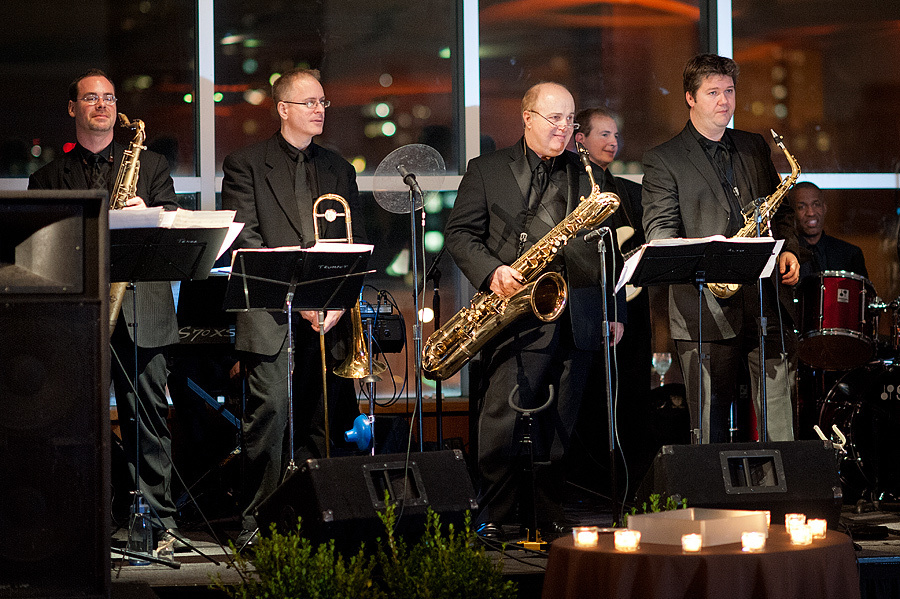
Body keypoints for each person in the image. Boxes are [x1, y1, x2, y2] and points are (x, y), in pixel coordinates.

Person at [445, 82, 624, 540]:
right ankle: (499, 513)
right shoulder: (485, 170)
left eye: (570, 121)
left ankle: (547, 509)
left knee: (561, 422)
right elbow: (461, 235)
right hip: (518, 312)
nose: (565, 129)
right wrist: (494, 272)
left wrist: (613, 309)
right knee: (504, 419)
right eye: (555, 119)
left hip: (579, 313)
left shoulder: (590, 175)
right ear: (527, 118)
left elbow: (613, 253)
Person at [29, 69, 182, 545]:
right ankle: (78, 521)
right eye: (91, 98)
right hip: (79, 317)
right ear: (72, 108)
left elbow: (175, 226)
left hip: (143, 311)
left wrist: (148, 215)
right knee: (73, 421)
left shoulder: (152, 166)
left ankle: (159, 523)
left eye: (110, 97)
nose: (103, 105)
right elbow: (40, 254)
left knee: (150, 419)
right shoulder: (48, 177)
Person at [221, 68, 365, 548]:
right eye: (309, 103)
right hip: (272, 314)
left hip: (330, 315)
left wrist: (338, 300)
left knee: (324, 422)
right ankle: (257, 522)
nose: (320, 109)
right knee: (270, 420)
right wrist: (299, 299)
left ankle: (321, 520)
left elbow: (356, 241)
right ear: (283, 109)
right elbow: (248, 240)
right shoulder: (245, 163)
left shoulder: (340, 168)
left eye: (323, 101)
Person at [641, 54, 801, 444]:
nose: (724, 101)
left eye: (729, 91)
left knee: (780, 421)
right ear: (690, 98)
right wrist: (715, 249)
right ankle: (711, 502)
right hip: (703, 312)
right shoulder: (664, 159)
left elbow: (780, 212)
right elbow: (660, 232)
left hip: (764, 304)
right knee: (709, 428)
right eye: (713, 92)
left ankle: (781, 500)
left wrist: (789, 249)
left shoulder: (753, 146)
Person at [573, 108, 654, 485]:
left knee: (633, 393)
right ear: (580, 141)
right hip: (592, 309)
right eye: (603, 134)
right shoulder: (572, 190)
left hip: (634, 311)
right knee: (592, 397)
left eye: (615, 135)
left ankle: (632, 481)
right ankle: (593, 481)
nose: (613, 142)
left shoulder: (632, 192)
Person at [790, 181, 867, 279]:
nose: (811, 213)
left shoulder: (850, 254)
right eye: (801, 207)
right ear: (792, 213)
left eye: (816, 204)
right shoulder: (786, 256)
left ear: (825, 208)